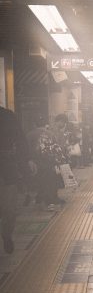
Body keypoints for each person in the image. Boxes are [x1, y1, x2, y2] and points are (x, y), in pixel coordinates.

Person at [0, 106, 37, 254]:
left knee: (9, 209)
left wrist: (27, 160)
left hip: (7, 168)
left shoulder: (7, 116)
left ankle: (7, 234)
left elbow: (20, 139)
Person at [26, 117, 66, 210]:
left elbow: (26, 149)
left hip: (35, 162)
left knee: (38, 181)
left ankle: (39, 199)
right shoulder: (51, 134)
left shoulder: (29, 134)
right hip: (48, 162)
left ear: (34, 124)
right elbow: (56, 149)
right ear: (45, 124)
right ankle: (49, 200)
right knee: (49, 181)